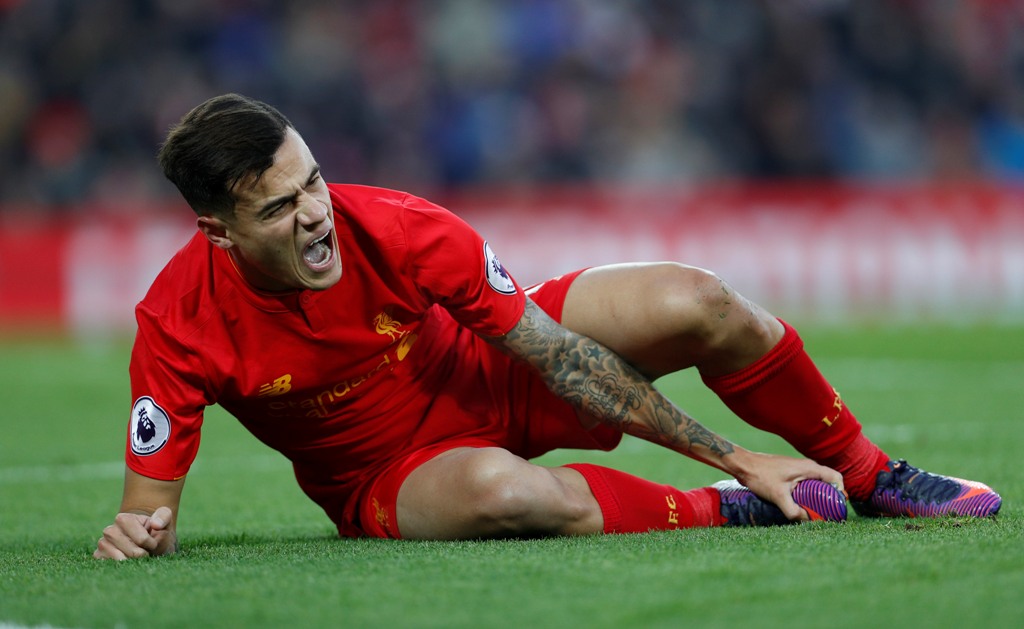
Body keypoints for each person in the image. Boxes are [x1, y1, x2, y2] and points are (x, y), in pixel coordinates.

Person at [94, 94, 1000, 560]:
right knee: (506, 492)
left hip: (501, 370)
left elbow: (558, 356)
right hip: (391, 476)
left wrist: (741, 449)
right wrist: (139, 536)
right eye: (280, 207)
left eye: (315, 181)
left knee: (700, 300)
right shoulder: (177, 324)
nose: (317, 214)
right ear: (218, 230)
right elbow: (147, 515)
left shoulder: (400, 227)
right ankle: (730, 509)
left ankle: (872, 475)